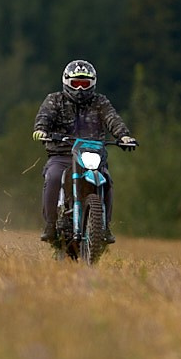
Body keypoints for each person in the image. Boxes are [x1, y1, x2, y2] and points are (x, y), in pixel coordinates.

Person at [32, 59, 136, 244]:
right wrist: (41, 130)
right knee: (54, 177)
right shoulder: (54, 99)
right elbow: (44, 117)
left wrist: (124, 136)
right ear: (66, 82)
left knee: (106, 180)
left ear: (93, 84)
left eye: (84, 84)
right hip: (62, 154)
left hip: (92, 154)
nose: (80, 89)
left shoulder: (100, 101)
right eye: (76, 83)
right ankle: (50, 224)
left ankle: (104, 226)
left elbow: (113, 118)